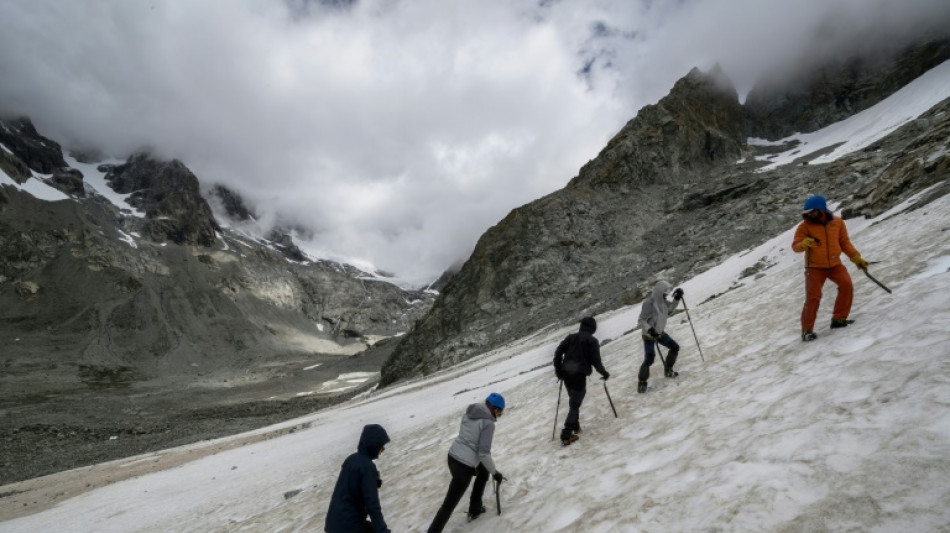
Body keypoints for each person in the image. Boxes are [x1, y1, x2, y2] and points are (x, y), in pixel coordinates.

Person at [792, 195, 868, 341]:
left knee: (847, 285)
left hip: (835, 265)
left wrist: (856, 258)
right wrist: (803, 245)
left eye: (813, 211)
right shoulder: (804, 227)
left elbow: (844, 243)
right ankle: (807, 331)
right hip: (814, 268)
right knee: (813, 297)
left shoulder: (838, 223)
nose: (810, 214)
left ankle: (839, 320)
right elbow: (795, 246)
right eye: (807, 212)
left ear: (821, 209)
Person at [427, 393, 506, 532]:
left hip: (452, 457)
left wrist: (488, 469)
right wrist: (495, 472)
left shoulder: (470, 414)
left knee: (483, 471)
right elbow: (483, 453)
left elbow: (470, 441)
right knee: (448, 505)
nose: (498, 416)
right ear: (495, 409)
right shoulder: (488, 424)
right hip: (463, 467)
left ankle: (475, 509)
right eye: (499, 412)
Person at [553, 316, 609, 445]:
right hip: (579, 375)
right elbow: (596, 362)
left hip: (566, 374)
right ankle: (566, 433)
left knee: (574, 400)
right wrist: (604, 373)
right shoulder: (592, 341)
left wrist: (558, 370)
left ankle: (575, 426)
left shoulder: (570, 337)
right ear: (593, 328)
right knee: (575, 404)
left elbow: (558, 352)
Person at [325, 424, 391, 533]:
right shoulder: (367, 467)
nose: (382, 451)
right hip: (349, 527)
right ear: (374, 445)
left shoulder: (351, 460)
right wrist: (383, 531)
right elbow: (372, 505)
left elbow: (350, 488)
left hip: (333, 524)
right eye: (381, 447)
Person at [637, 281, 683, 393]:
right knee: (650, 358)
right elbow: (641, 320)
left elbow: (670, 309)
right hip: (649, 335)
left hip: (660, 332)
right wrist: (650, 329)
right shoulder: (649, 303)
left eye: (667, 293)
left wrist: (677, 298)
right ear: (658, 292)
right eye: (664, 293)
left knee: (674, 347)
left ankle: (668, 370)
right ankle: (642, 382)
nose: (666, 295)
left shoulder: (663, 302)